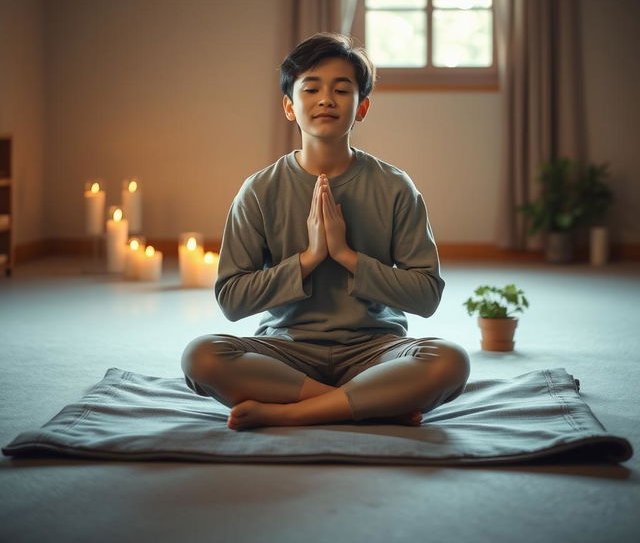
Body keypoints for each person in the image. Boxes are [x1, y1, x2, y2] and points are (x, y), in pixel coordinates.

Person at [181, 33, 470, 431]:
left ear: (362, 107)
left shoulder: (395, 186)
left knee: (449, 361)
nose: (326, 99)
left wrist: (347, 256)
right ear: (289, 106)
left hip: (376, 351)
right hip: (286, 352)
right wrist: (310, 259)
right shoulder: (260, 190)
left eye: (342, 89)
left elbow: (426, 296)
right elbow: (231, 300)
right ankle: (367, 404)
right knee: (201, 357)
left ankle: (291, 412)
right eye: (311, 88)